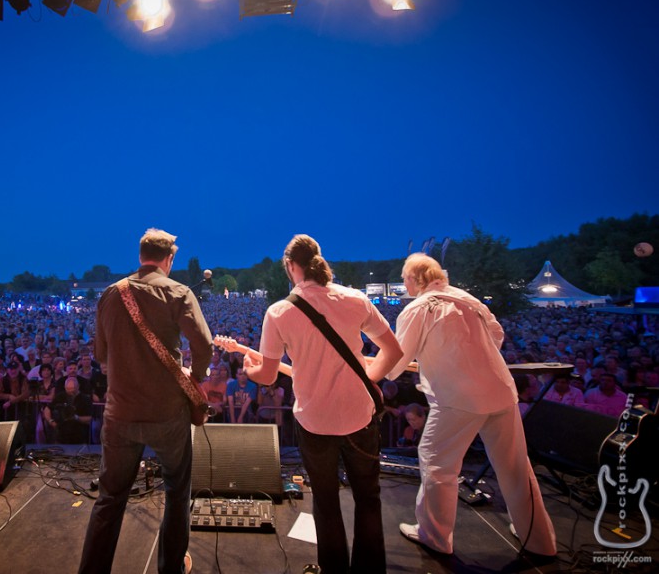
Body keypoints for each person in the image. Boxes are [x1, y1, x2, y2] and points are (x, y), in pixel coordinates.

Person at [243, 234, 403, 574]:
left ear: (290, 267)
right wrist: (369, 378)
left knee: (327, 503)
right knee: (368, 499)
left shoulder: (280, 312)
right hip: (360, 416)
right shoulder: (355, 299)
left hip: (315, 422)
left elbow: (268, 376)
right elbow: (394, 351)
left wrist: (250, 369)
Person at [386, 253, 556, 557]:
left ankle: (434, 536)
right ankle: (539, 539)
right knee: (516, 467)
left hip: (457, 399)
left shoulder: (418, 309)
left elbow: (395, 363)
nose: (403, 282)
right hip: (501, 392)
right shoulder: (469, 299)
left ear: (416, 278)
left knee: (437, 462)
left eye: (404, 276)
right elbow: (497, 336)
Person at [79, 228, 213, 574]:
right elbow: (204, 346)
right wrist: (194, 378)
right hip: (168, 414)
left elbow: (101, 354)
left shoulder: (111, 294)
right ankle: (171, 568)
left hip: (120, 413)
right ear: (169, 258)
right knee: (177, 492)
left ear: (141, 256)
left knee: (109, 499)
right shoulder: (178, 292)